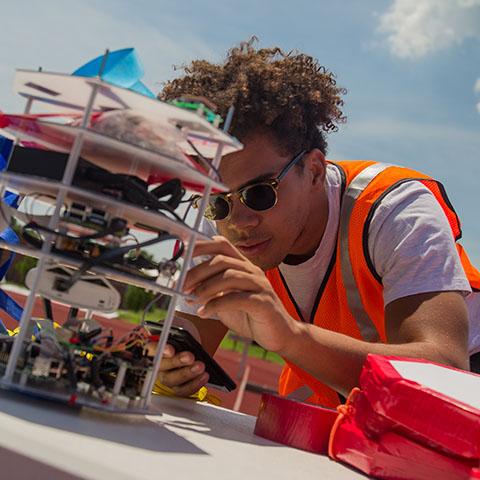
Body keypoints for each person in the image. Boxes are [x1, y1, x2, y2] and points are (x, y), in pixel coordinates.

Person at [156, 40, 480, 407]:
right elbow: (187, 341)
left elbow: (446, 371)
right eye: (216, 201)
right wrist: (171, 366)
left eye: (259, 193)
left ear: (313, 169)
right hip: (347, 396)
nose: (239, 221)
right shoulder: (224, 225)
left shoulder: (395, 209)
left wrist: (290, 336)